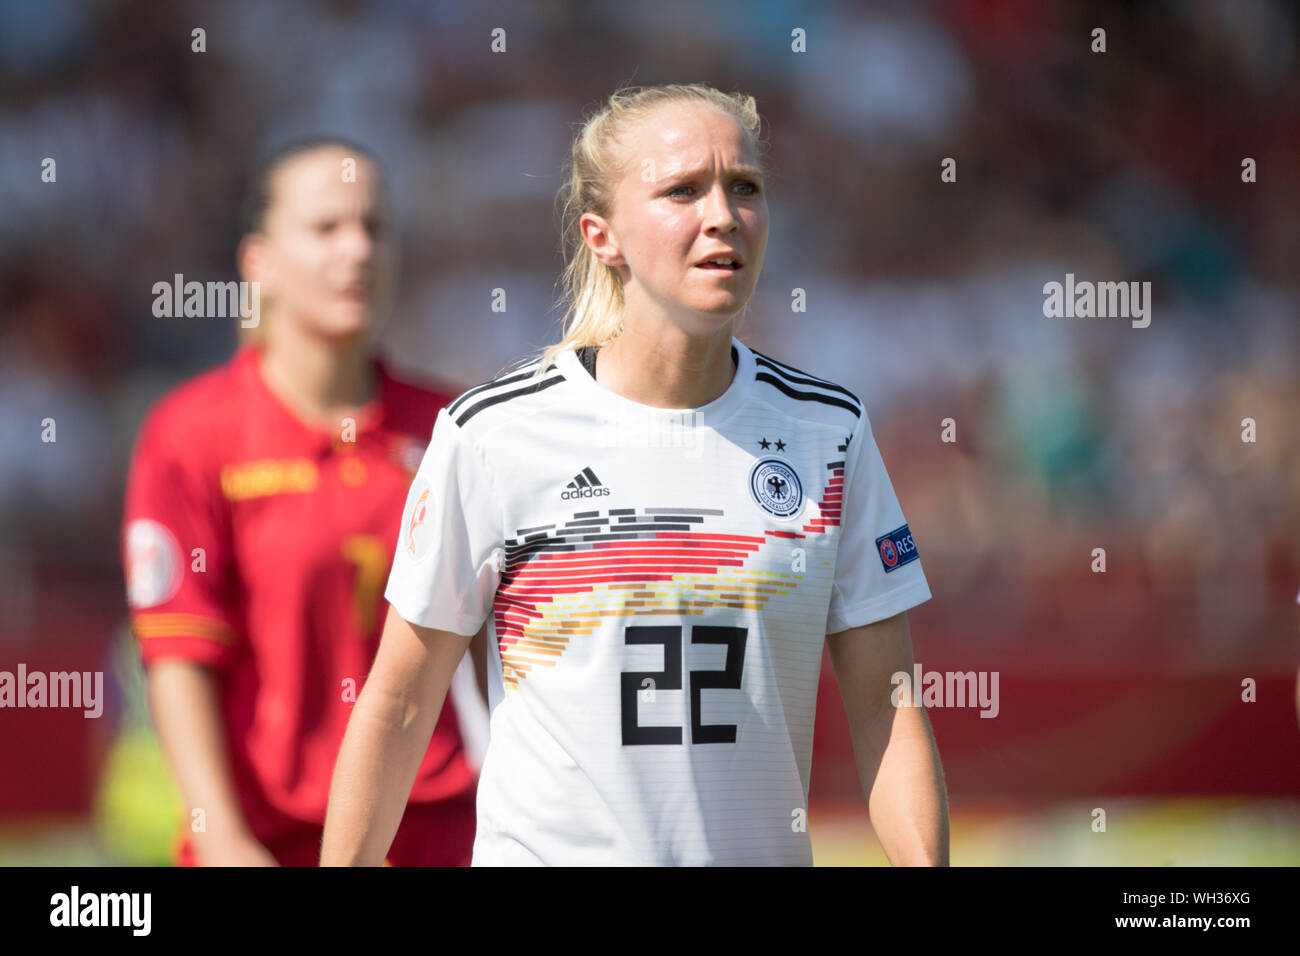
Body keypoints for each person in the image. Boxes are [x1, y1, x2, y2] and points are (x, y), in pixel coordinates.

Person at [321, 85, 949, 866]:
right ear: (603, 236)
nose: (722, 214)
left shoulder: (829, 432)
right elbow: (399, 705)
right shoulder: (493, 434)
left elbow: (888, 710)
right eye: (682, 190)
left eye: (744, 187)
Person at [122, 137, 487, 866]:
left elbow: (502, 655)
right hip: (268, 846)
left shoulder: (457, 429)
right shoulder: (191, 436)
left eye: (375, 227)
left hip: (439, 839)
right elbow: (179, 663)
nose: (357, 249)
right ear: (258, 262)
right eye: (326, 228)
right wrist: (222, 840)